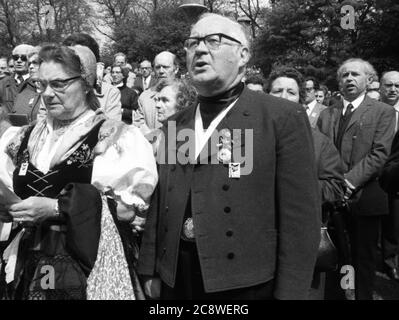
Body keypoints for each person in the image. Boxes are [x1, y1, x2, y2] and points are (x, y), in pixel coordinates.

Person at [138, 13, 321, 300]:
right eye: (192, 42)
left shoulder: (279, 118)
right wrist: (151, 268)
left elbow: (300, 220)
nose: (199, 49)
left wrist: (290, 293)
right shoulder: (178, 124)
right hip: (177, 280)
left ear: (243, 54)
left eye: (213, 41)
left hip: (245, 286)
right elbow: (163, 204)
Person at [0, 43, 158, 300]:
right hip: (30, 261)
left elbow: (128, 210)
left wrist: (55, 208)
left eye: (59, 84)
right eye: (42, 84)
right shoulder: (22, 137)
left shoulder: (115, 137)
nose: (48, 94)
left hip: (88, 266)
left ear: (85, 83)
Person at [317, 58, 395, 300]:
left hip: (364, 196)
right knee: (335, 255)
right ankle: (340, 295)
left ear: (368, 80)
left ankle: (361, 296)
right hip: (332, 199)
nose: (349, 79)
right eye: (344, 75)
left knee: (363, 258)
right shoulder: (326, 114)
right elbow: (319, 152)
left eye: (355, 74)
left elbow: (380, 153)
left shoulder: (383, 111)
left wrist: (348, 183)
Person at [267, 66, 345, 300]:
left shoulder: (320, 143)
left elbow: (335, 186)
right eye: (276, 91)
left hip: (300, 245)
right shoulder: (246, 139)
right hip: (255, 243)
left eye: (290, 92)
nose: (283, 97)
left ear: (301, 100)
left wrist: (295, 191)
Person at [62, 33, 122, 121]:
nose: (78, 64)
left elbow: (113, 129)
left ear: (95, 62)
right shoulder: (52, 91)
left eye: (84, 59)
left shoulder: (110, 93)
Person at [379, 70, 399, 281]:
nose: (393, 89)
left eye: (397, 86)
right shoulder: (373, 112)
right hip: (375, 173)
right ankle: (388, 259)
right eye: (389, 85)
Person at [133, 51, 179, 133]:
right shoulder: (145, 96)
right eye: (158, 67)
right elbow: (138, 125)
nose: (161, 71)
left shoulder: (185, 95)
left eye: (165, 67)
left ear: (176, 69)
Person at [0, 44, 38, 123]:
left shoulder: (39, 83)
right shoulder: (2, 84)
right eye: (15, 57)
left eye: (24, 58)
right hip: (7, 130)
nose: (19, 61)